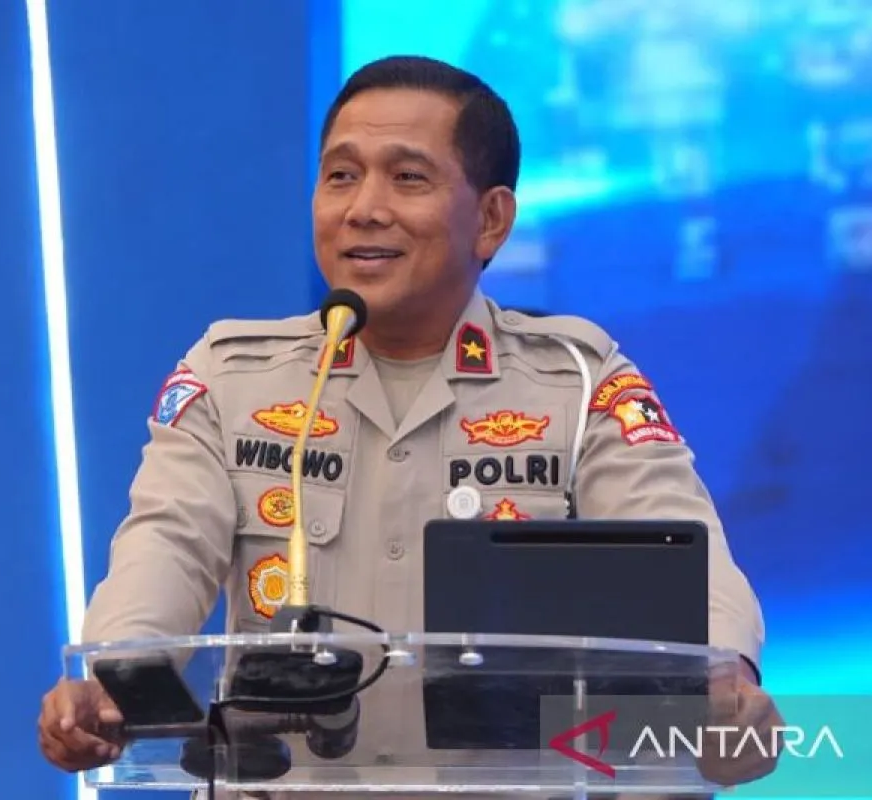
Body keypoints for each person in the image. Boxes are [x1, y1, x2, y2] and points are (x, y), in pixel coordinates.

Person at [38, 55, 782, 789]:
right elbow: (165, 544)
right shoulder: (231, 377)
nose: (363, 207)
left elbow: (686, 556)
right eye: (341, 175)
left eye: (407, 177)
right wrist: (113, 679)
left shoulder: (579, 381)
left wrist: (722, 679)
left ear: (490, 219)